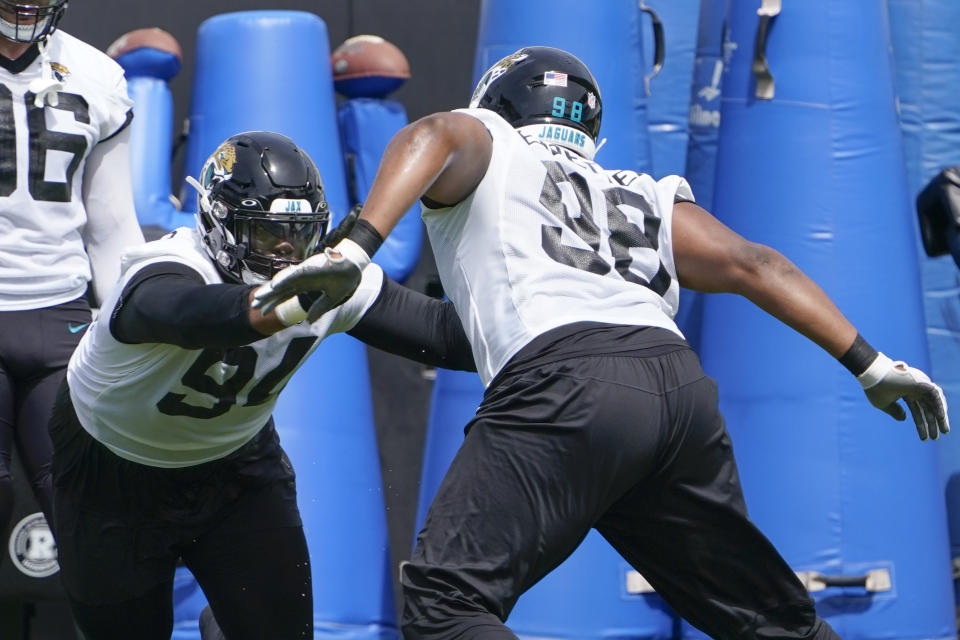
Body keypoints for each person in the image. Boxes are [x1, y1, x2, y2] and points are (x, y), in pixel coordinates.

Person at [254, 47, 949, 639]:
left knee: (446, 600)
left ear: (497, 105)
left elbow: (435, 133)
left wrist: (357, 243)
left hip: (566, 383)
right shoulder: (639, 190)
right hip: (675, 392)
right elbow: (755, 264)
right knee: (768, 620)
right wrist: (871, 363)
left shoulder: (483, 142)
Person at [49, 130, 474, 640]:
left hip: (236, 466)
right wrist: (290, 302)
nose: (288, 252)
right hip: (110, 469)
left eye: (300, 232)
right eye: (268, 234)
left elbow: (446, 337)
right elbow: (186, 314)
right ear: (216, 224)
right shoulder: (166, 267)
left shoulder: (325, 276)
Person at [0, 0, 143, 560]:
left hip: (61, 319)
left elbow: (112, 227)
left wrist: (131, 325)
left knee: (92, 522)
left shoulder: (97, 75)